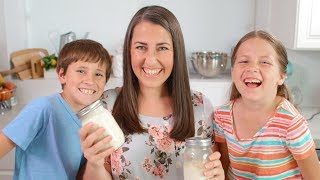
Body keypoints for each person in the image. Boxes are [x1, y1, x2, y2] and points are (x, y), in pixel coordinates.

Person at [78, 5, 225, 180]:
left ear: (175, 52)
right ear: (129, 51)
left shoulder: (200, 107)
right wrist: (94, 163)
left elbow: (209, 172)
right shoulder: (106, 106)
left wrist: (217, 175)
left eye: (162, 48)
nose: (150, 60)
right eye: (141, 47)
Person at [213, 30, 320, 179]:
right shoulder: (221, 117)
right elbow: (222, 172)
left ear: (281, 76)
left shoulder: (291, 123)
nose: (252, 68)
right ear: (232, 72)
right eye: (244, 61)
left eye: (265, 62)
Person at [0, 39, 112, 180]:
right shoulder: (42, 109)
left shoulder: (94, 121)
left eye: (98, 74)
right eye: (81, 71)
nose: (90, 80)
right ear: (62, 75)